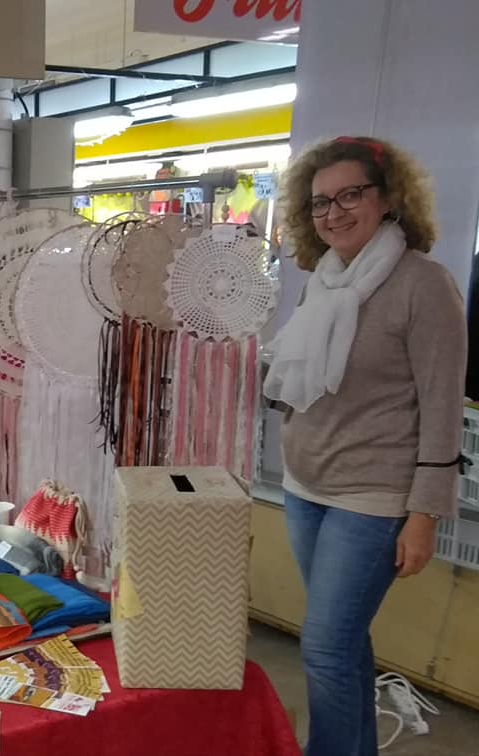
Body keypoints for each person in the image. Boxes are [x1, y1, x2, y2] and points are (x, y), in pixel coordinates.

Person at [263, 136, 466, 755]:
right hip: (305, 486)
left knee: (324, 648)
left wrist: (424, 514)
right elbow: (303, 382)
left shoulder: (422, 284)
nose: (335, 212)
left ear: (389, 199)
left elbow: (441, 406)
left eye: (352, 194)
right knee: (344, 644)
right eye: (322, 201)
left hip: (374, 497)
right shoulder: (321, 281)